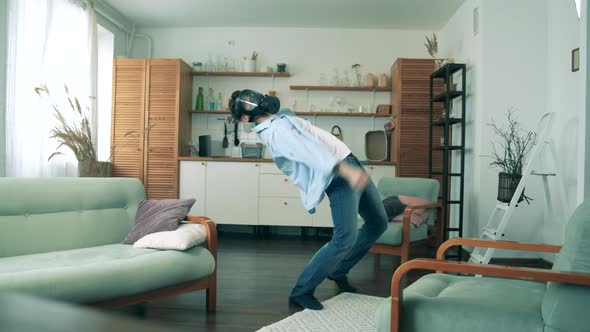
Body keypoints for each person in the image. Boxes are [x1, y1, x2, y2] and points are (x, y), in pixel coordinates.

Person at [228, 90, 388, 310]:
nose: (258, 102)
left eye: (254, 98)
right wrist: (348, 172)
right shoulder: (275, 132)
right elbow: (312, 155)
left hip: (349, 162)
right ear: (245, 119)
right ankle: (301, 291)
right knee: (344, 238)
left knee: (378, 222)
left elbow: (286, 113)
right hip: (340, 174)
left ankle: (338, 270)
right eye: (249, 105)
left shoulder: (278, 120)